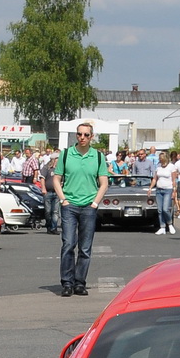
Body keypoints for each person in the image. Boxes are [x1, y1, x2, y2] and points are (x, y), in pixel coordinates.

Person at [52, 121, 108, 296]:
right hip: (70, 206)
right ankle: (67, 283)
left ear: (91, 137)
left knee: (85, 247)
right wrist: (63, 200)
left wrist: (95, 203)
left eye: (86, 135)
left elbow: (104, 183)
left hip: (88, 206)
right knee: (68, 244)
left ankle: (79, 282)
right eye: (79, 134)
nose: (82, 137)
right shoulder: (67, 154)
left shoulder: (98, 157)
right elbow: (56, 179)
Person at [152, 152, 179, 235]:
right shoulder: (158, 167)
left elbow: (174, 180)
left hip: (168, 189)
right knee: (160, 210)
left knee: (165, 209)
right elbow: (155, 179)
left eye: (161, 158)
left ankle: (169, 223)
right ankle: (162, 226)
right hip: (159, 190)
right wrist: (150, 188)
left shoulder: (171, 167)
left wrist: (174, 191)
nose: (160, 160)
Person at [39, 148, 61, 234]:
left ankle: (53, 228)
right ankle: (48, 225)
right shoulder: (47, 168)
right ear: (54, 159)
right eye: (58, 158)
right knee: (48, 211)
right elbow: (42, 178)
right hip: (48, 192)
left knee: (55, 211)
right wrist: (43, 188)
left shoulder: (60, 169)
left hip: (57, 192)